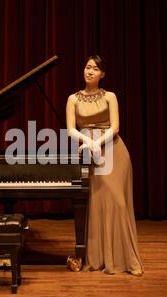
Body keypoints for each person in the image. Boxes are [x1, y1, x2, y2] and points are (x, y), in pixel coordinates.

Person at [66, 55, 144, 276]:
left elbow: (115, 127)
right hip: (88, 152)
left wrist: (98, 142)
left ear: (102, 74)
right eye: (87, 67)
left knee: (118, 203)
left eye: (95, 68)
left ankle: (126, 260)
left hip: (113, 150)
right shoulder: (73, 99)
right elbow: (71, 128)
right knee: (98, 202)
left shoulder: (110, 96)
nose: (89, 71)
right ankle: (99, 258)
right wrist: (88, 142)